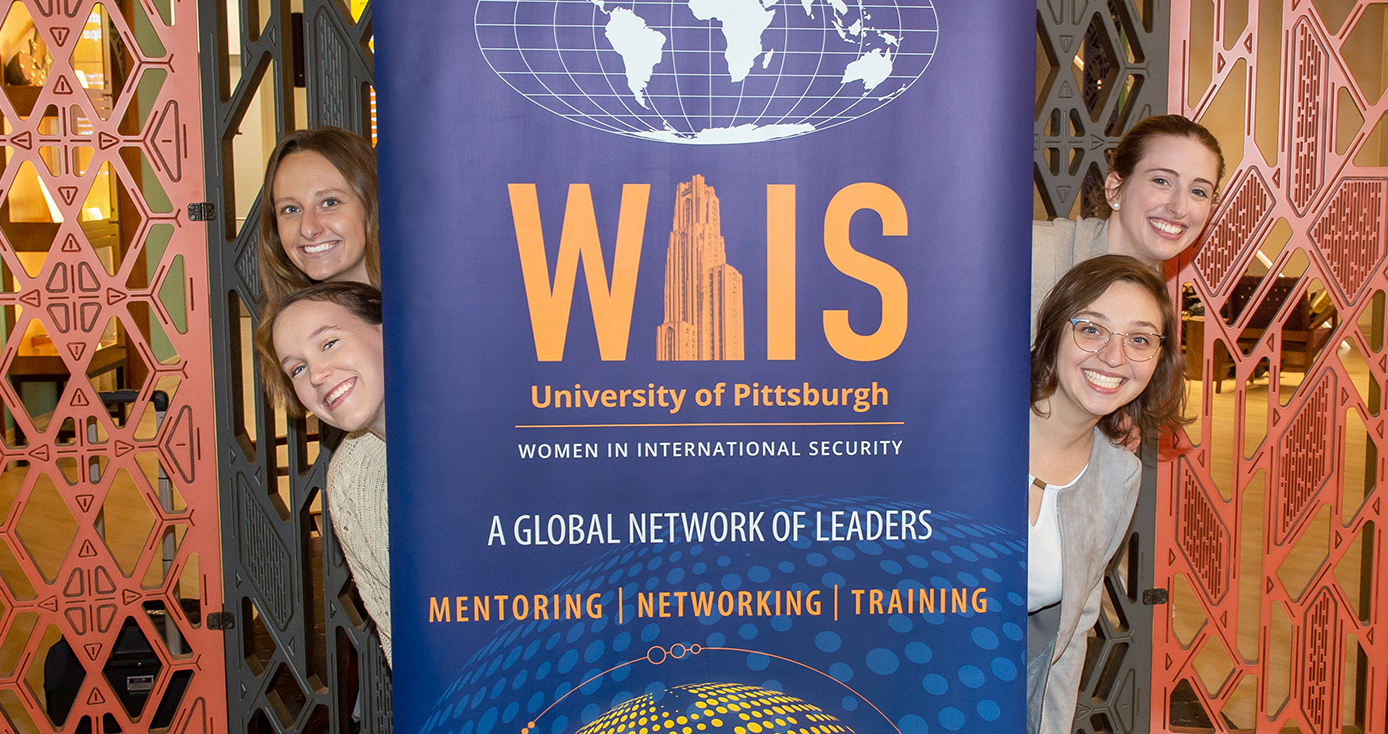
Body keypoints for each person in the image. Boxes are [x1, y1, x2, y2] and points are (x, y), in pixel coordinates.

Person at [1026, 255, 1186, 733]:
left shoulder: (1119, 477)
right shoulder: (970, 427)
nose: (1114, 357)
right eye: (1092, 329)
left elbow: (1070, 638)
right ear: (1053, 333)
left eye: (1139, 340)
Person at [256, 281, 392, 666]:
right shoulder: (351, 477)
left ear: (389, 328)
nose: (316, 375)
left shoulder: (495, 426)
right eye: (297, 368)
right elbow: (393, 628)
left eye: (329, 343)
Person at [1032, 115, 1225, 319]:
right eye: (1161, 181)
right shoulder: (1031, 256)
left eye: (1198, 192)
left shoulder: (1154, 305)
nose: (1180, 208)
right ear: (1115, 189)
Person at [256, 126, 380, 310]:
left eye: (329, 203)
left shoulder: (427, 311)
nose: (308, 229)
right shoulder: (289, 327)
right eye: (291, 209)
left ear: (373, 205)